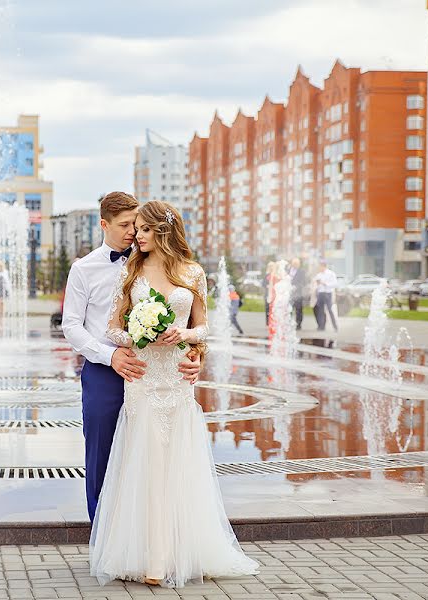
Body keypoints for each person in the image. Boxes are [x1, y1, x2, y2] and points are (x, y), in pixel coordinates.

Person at [92, 200, 258, 588]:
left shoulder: (193, 273)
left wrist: (185, 337)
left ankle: (181, 550)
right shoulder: (131, 272)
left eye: (145, 230)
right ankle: (153, 558)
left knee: (176, 466)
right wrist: (137, 333)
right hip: (144, 379)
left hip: (178, 382)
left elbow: (203, 328)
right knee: (147, 465)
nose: (138, 235)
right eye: (136, 229)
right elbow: (111, 328)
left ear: (163, 231)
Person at [61, 192, 201, 526]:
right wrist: (110, 357)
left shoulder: (159, 261)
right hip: (105, 372)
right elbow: (71, 326)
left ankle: (148, 535)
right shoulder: (83, 269)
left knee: (155, 455)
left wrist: (196, 354)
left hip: (157, 372)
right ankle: (103, 533)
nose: (133, 233)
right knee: (102, 453)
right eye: (125, 225)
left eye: (137, 225)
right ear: (103, 224)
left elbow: (188, 319)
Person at [313, 260, 338, 332]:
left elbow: (335, 284)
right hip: (320, 293)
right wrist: (317, 284)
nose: (319, 268)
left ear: (324, 266)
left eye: (320, 266)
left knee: (330, 310)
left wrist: (325, 283)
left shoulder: (331, 274)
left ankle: (335, 326)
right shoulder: (319, 275)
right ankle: (321, 326)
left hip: (327, 293)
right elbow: (316, 283)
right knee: (320, 310)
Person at [289, 257, 307, 330]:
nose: (295, 265)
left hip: (298, 293)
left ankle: (298, 324)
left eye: (296, 263)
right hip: (289, 293)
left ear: (299, 264)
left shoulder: (301, 271)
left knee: (298, 310)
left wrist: (296, 287)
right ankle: (288, 323)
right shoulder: (288, 270)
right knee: (289, 309)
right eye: (294, 263)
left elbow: (303, 282)